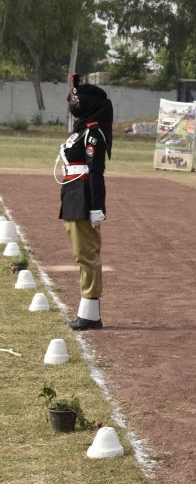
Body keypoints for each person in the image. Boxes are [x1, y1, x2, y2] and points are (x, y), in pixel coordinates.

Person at [58, 78, 112, 330]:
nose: (73, 103)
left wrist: (96, 206)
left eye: (77, 99)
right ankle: (87, 312)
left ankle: (90, 314)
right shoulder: (80, 131)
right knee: (80, 253)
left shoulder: (92, 133)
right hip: (72, 195)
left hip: (84, 197)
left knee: (87, 255)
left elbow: (96, 172)